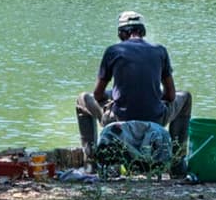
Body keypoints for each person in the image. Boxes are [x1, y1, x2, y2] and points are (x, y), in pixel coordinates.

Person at [77, 11, 192, 176]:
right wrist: (152, 96)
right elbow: (171, 96)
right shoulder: (160, 51)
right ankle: (177, 163)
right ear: (143, 32)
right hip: (156, 118)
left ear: (121, 34)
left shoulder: (113, 51)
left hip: (119, 119)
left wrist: (107, 101)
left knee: (82, 100)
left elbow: (97, 94)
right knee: (185, 97)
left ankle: (90, 164)